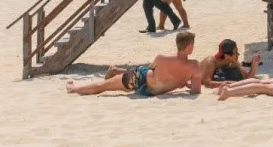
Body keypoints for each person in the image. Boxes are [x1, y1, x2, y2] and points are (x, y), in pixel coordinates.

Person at [65, 31, 201, 97]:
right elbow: (196, 91)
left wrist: (182, 83)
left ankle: (117, 70)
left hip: (145, 87)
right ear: (189, 45)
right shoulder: (194, 66)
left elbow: (194, 91)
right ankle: (74, 89)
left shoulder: (161, 59)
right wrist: (182, 82)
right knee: (103, 87)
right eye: (193, 44)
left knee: (111, 84)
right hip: (139, 79)